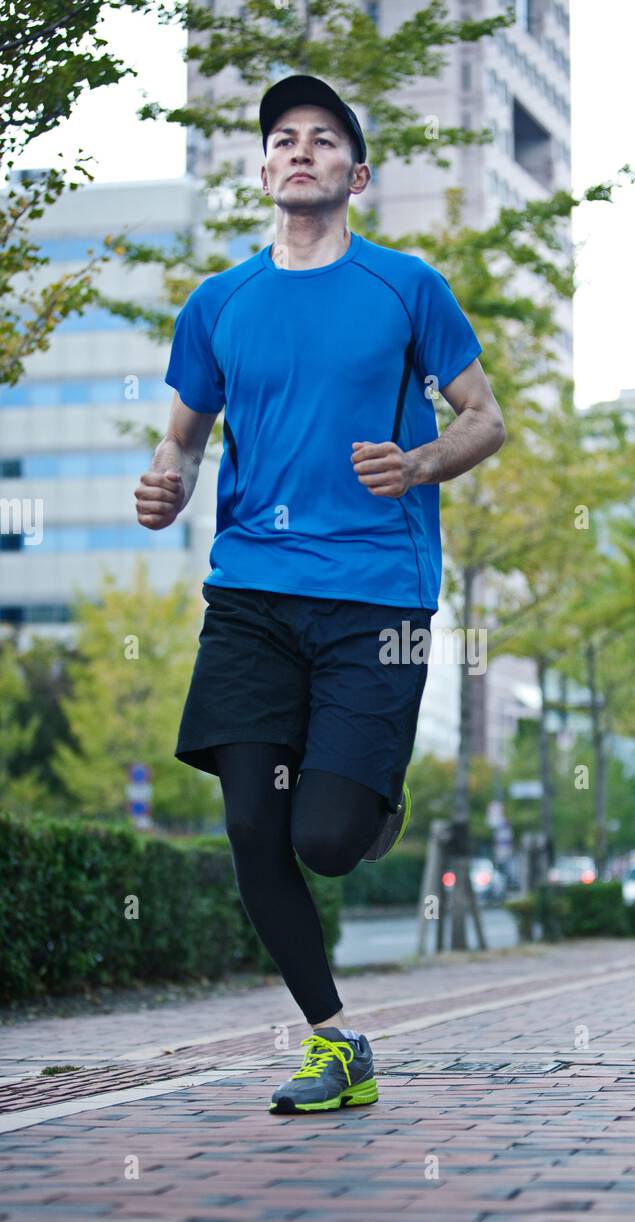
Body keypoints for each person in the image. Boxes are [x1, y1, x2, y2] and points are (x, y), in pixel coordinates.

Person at [134, 74, 506, 1115]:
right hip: (251, 590)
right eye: (284, 140)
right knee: (254, 827)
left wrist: (421, 462)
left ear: (357, 172)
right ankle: (334, 1041)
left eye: (324, 140)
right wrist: (167, 482)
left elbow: (485, 418)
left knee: (325, 839)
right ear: (263, 171)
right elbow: (182, 434)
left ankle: (366, 794)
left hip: (376, 596)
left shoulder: (406, 288)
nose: (301, 151)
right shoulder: (217, 303)